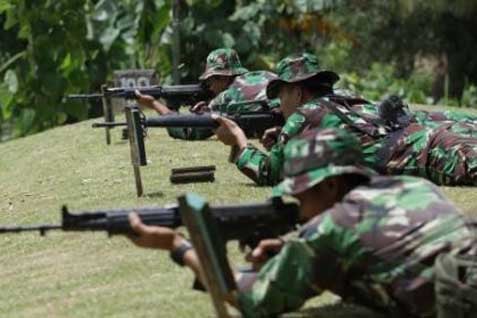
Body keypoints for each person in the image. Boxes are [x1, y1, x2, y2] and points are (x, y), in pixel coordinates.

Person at [127, 128, 477, 317]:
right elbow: (391, 247)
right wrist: (292, 249)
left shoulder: (330, 228)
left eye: (301, 194)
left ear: (330, 184)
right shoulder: (416, 186)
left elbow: (251, 301)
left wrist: (178, 246)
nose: (300, 208)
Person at [214, 52, 477, 186]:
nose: (280, 105)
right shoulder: (345, 97)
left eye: (281, 95)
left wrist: (239, 144)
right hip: (440, 131)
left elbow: (270, 173)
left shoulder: (304, 115)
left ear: (296, 90)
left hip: (434, 152)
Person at [135, 48, 279, 140]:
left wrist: (154, 103)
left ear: (222, 77)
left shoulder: (225, 98)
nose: (209, 88)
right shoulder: (266, 75)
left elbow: (186, 131)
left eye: (210, 82)